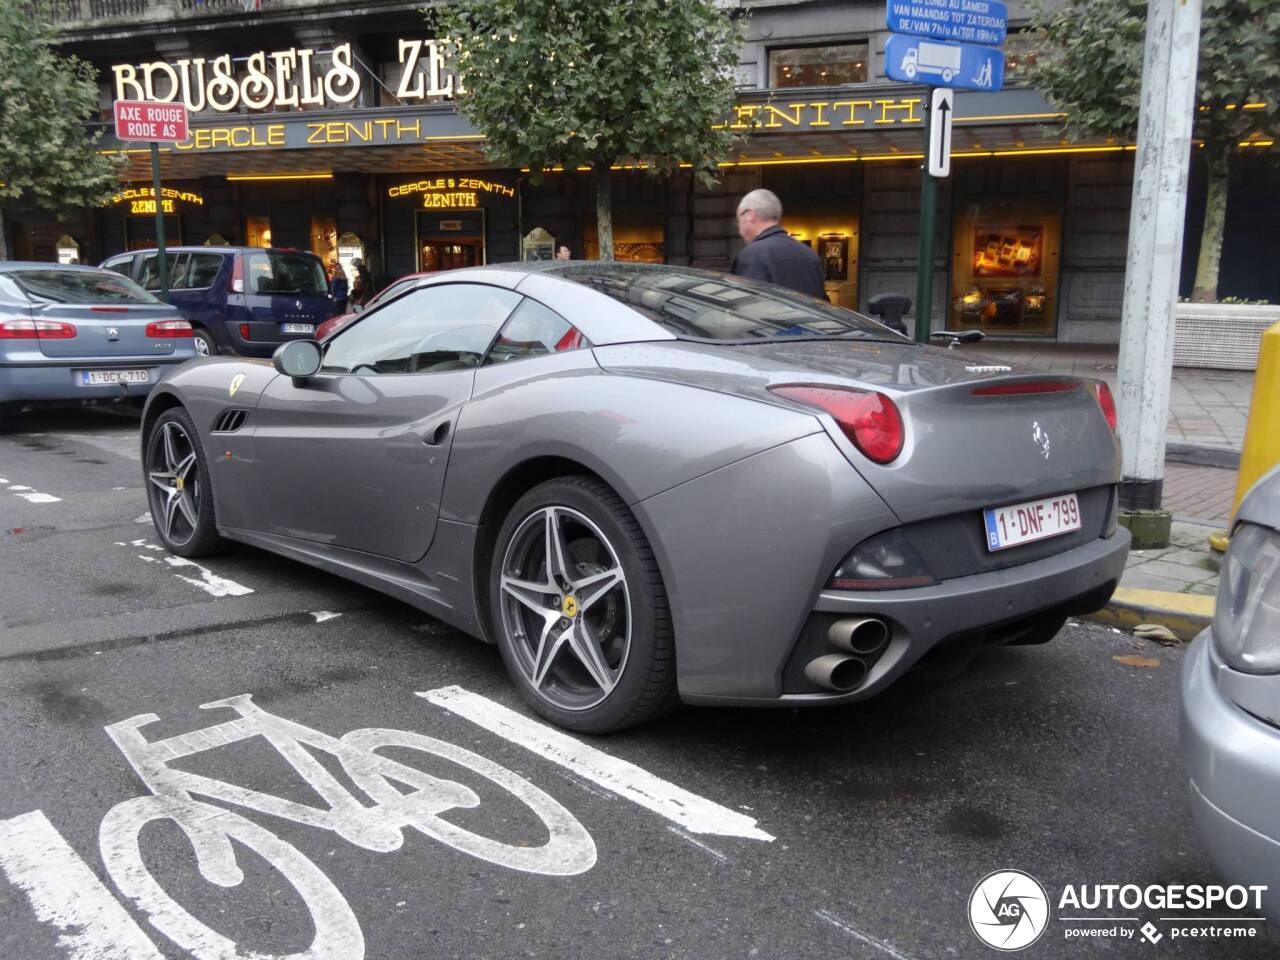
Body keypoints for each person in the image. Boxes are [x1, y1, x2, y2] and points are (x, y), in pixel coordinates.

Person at [730, 188, 826, 300]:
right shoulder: (810, 254)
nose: (739, 229)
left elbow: (746, 306)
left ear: (750, 215)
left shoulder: (752, 255)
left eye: (738, 220)